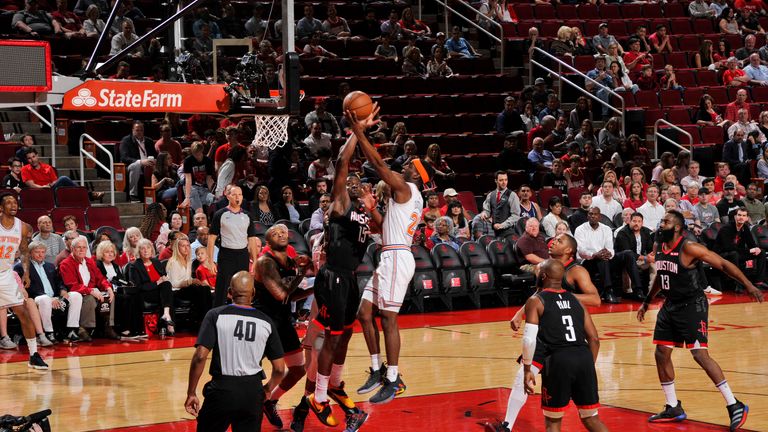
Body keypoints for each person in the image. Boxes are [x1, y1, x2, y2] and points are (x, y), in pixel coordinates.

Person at [637, 210, 762, 429]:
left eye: (665, 221)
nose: (660, 224)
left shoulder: (689, 247)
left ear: (676, 227)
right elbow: (662, 275)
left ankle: (734, 405)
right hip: (670, 305)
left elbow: (723, 264)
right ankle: (673, 405)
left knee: (700, 355)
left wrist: (749, 285)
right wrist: (647, 301)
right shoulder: (660, 246)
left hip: (692, 305)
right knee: (661, 352)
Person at [348, 104, 425, 404]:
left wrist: (359, 131)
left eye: (406, 166)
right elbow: (383, 229)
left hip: (397, 258)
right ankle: (378, 369)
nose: (402, 166)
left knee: (389, 319)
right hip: (389, 254)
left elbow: (378, 165)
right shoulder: (402, 197)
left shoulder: (407, 189)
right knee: (364, 313)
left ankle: (394, 379)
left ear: (413, 176)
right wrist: (371, 209)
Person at [488, 259, 606, 432]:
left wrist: (528, 368)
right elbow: (594, 339)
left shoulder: (536, 300)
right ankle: (507, 425)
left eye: (537, 271)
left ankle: (507, 426)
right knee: (591, 419)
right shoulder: (577, 301)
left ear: (543, 276)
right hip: (583, 358)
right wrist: (588, 365)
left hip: (557, 359)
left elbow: (529, 340)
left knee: (553, 422)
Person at [305, 133, 372, 430]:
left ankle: (334, 384)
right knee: (331, 337)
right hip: (332, 276)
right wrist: (357, 133)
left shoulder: (365, 211)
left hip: (351, 278)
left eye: (359, 182)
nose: (354, 184)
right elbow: (343, 161)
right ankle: (318, 397)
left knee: (345, 334)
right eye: (351, 182)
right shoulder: (341, 202)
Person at [184, 270, 286, 432]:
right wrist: (267, 390)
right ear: (253, 293)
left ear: (230, 293)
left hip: (222, 390)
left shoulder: (215, 315)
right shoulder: (266, 322)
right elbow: (280, 369)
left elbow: (200, 357)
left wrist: (191, 393)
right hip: (252, 393)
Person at [254, 224, 314, 428]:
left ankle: (269, 401)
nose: (281, 234)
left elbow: (289, 296)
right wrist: (302, 273)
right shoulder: (265, 262)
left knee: (298, 369)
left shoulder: (289, 261)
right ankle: (247, 404)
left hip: (282, 318)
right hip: (264, 321)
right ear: (267, 242)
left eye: (283, 232)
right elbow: (280, 294)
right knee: (252, 369)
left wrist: (315, 288)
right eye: (275, 233)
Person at [209, 186, 260, 307]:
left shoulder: (247, 215)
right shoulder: (220, 214)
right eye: (234, 194)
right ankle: (217, 313)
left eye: (240, 195)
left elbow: (252, 239)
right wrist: (210, 261)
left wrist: (255, 260)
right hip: (226, 255)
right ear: (228, 196)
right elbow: (211, 239)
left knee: (242, 286)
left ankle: (242, 310)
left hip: (242, 255)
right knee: (222, 288)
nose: (238, 197)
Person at [575, 207, 620, 304]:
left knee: (626, 255)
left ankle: (635, 290)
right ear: (587, 216)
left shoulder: (606, 229)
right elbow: (580, 250)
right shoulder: (580, 229)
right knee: (602, 259)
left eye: (595, 214)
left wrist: (608, 253)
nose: (593, 216)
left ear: (600, 216)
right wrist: (594, 254)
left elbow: (610, 248)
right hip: (586, 261)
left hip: (604, 259)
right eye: (590, 214)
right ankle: (608, 291)